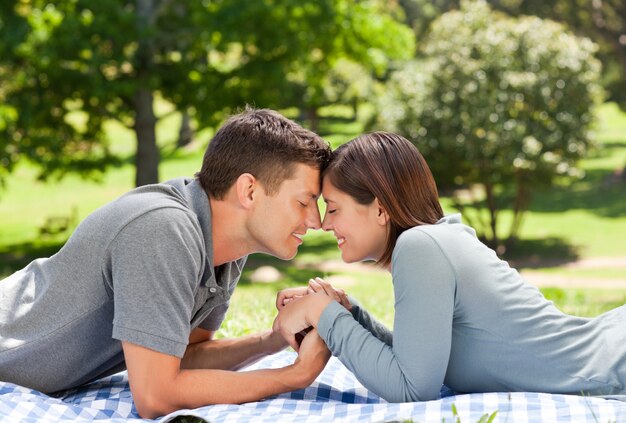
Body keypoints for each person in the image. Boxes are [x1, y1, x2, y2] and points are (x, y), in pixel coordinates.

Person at [0, 107, 333, 418]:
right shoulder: (163, 230)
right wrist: (294, 375)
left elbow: (187, 357)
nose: (316, 221)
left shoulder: (225, 247)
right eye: (304, 201)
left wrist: (275, 338)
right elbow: (156, 396)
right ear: (248, 191)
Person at [273, 131, 626, 403]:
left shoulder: (420, 246)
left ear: (380, 209)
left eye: (333, 208)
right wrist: (346, 313)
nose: (323, 223)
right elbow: (420, 361)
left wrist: (324, 313)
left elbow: (412, 389)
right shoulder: (434, 242)